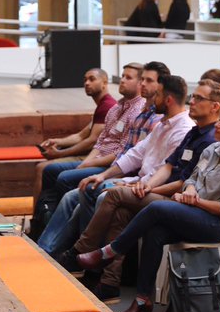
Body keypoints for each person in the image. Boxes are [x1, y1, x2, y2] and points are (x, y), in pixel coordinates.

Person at [77, 105, 220, 312]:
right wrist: (190, 190)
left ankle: (111, 251)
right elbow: (191, 178)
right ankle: (143, 301)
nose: (218, 125)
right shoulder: (213, 150)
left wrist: (196, 201)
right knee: (156, 231)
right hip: (197, 212)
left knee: (156, 208)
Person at [67, 78, 220, 302]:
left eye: (199, 98)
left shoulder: (209, 139)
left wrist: (150, 188)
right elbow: (168, 166)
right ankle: (109, 282)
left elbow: (185, 183)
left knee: (113, 194)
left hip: (182, 202)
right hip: (162, 191)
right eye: (193, 96)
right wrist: (147, 185)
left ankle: (78, 252)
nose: (192, 101)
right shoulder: (194, 132)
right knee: (119, 210)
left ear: (215, 107)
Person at [39, 72, 192, 255]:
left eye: (157, 93)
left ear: (168, 100)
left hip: (149, 187)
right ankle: (50, 251)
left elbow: (164, 171)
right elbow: (134, 154)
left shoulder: (182, 129)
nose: (152, 97)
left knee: (95, 193)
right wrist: (103, 175)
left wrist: (132, 184)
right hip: (138, 182)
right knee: (84, 189)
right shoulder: (161, 124)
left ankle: (83, 255)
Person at [29, 62, 150, 236]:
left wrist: (74, 158)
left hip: (112, 165)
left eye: (128, 77)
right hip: (97, 158)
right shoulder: (116, 108)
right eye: (122, 76)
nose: (122, 80)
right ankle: (43, 221)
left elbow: (120, 152)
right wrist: (83, 159)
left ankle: (58, 229)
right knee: (48, 170)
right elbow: (98, 142)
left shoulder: (133, 110)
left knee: (61, 177)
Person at [39, 68, 117, 160]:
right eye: (85, 80)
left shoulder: (107, 106)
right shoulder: (102, 105)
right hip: (95, 154)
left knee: (42, 166)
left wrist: (60, 154)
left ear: (104, 83)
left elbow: (92, 141)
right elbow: (81, 136)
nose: (87, 83)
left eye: (92, 79)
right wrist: (57, 141)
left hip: (101, 157)